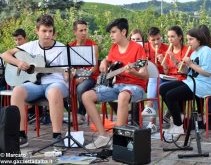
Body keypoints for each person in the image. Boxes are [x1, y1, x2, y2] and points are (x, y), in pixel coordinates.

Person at [1, 14, 69, 148]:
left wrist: (69, 74)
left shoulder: (62, 49)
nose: (47, 34)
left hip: (56, 83)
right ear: (37, 31)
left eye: (50, 31)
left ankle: (56, 136)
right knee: (17, 91)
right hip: (35, 85)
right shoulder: (30, 46)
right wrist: (19, 62)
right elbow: (4, 54)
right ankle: (21, 135)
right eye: (44, 31)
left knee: (54, 91)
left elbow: (67, 73)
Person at [82, 18, 148, 149]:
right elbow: (110, 61)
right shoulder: (113, 48)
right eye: (110, 33)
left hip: (136, 87)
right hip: (117, 86)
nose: (111, 35)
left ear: (123, 32)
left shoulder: (137, 49)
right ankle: (103, 137)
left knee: (123, 95)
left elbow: (145, 75)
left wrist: (134, 72)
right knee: (86, 96)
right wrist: (104, 62)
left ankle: (119, 139)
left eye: (113, 32)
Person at [160, 28, 211, 141]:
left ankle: (178, 126)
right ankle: (178, 117)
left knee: (171, 95)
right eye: (187, 39)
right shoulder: (195, 52)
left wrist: (190, 64)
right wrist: (176, 62)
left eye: (191, 39)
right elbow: (187, 72)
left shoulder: (207, 51)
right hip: (192, 81)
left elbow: (207, 72)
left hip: (204, 85)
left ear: (199, 40)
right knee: (163, 88)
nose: (188, 42)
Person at [68, 20, 98, 124]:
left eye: (85, 30)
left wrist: (82, 78)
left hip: (90, 77)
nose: (84, 33)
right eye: (81, 30)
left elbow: (94, 68)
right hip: (76, 75)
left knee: (80, 88)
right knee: (62, 88)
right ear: (75, 32)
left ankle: (81, 113)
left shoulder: (93, 46)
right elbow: (70, 68)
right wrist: (74, 78)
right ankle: (73, 113)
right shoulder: (71, 47)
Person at [141, 27, 168, 132]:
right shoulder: (144, 48)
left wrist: (163, 63)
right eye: (153, 40)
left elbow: (167, 71)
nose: (156, 42)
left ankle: (149, 113)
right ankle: (152, 122)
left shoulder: (166, 49)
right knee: (153, 82)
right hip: (147, 77)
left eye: (158, 38)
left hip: (163, 78)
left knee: (154, 81)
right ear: (148, 39)